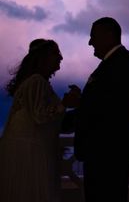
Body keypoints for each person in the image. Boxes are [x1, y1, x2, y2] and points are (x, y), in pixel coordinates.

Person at [73, 17, 129, 202]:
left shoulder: (124, 63)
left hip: (108, 151)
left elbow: (112, 108)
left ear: (109, 35)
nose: (90, 42)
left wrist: (72, 109)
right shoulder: (117, 63)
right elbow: (107, 103)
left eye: (93, 36)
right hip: (105, 150)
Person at [0, 39, 80, 202]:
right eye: (55, 53)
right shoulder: (36, 81)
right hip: (31, 154)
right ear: (42, 58)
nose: (61, 57)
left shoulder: (35, 82)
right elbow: (40, 116)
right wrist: (65, 104)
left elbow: (51, 119)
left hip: (27, 152)